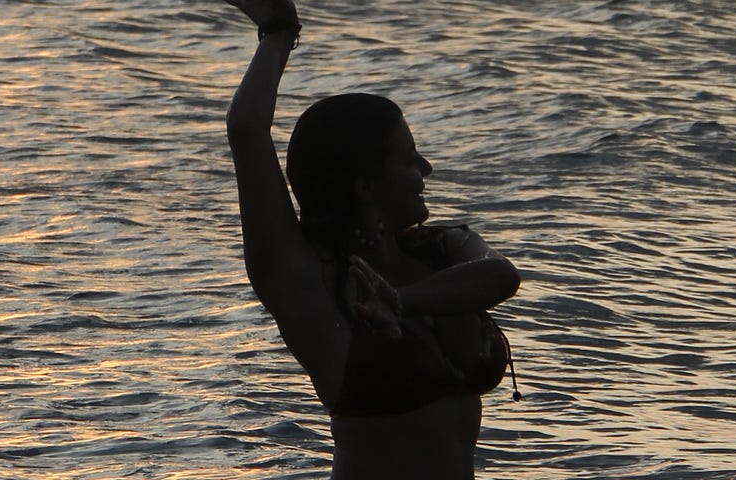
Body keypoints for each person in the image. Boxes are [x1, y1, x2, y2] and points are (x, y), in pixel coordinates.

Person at [222, 0, 523, 478]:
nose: (426, 169)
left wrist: (399, 301)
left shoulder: (444, 251)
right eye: (410, 158)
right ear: (365, 186)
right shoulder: (310, 283)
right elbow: (246, 130)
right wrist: (279, 32)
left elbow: (503, 276)